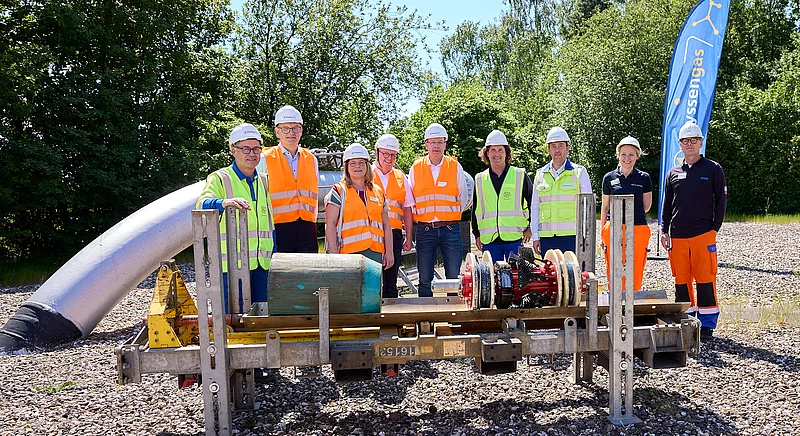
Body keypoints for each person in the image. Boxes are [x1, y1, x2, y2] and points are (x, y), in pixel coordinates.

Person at [197, 123, 274, 314]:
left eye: (256, 149)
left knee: (262, 317)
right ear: (233, 151)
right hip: (232, 267)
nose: (252, 154)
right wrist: (223, 203)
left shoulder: (264, 180)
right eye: (246, 148)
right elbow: (202, 205)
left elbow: (269, 223)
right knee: (233, 318)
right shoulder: (220, 178)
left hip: (262, 265)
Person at [660, 121, 727, 339]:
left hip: (703, 234)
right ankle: (686, 320)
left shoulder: (713, 169)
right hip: (678, 236)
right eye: (685, 141)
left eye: (693, 140)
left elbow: (722, 200)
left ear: (700, 143)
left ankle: (706, 324)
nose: (689, 144)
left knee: (705, 279)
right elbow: (667, 204)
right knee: (681, 280)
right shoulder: (673, 173)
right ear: (680, 144)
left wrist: (714, 229)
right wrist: (664, 230)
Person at [408, 123, 468, 297]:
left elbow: (464, 197)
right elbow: (410, 200)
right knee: (424, 278)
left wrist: (450, 214)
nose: (436, 146)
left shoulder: (455, 166)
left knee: (454, 279)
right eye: (432, 142)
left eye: (440, 142)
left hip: (450, 228)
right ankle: (426, 313)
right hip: (425, 230)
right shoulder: (416, 167)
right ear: (426, 144)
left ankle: (452, 311)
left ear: (445, 144)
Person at [258, 105, 319, 253]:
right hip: (277, 228)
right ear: (277, 131)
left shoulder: (311, 159)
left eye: (296, 128)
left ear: (301, 131)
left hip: (307, 228)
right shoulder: (264, 159)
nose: (291, 133)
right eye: (286, 128)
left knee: (309, 267)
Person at [324, 143, 394, 270]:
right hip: (348, 254)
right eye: (353, 163)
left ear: (367, 165)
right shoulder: (339, 191)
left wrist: (389, 251)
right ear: (346, 167)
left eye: (361, 162)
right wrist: (334, 256)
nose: (357, 166)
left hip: (375, 253)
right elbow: (330, 224)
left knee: (373, 284)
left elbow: (386, 225)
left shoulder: (378, 191)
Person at [600, 136, 652, 292]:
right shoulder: (609, 178)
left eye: (631, 154)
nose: (627, 158)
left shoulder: (644, 178)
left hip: (638, 228)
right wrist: (602, 232)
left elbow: (646, 206)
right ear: (618, 155)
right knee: (614, 266)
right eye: (623, 154)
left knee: (635, 266)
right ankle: (615, 300)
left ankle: (632, 300)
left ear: (637, 156)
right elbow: (605, 207)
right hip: (614, 228)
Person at [472, 129, 532, 262]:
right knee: (491, 275)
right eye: (493, 150)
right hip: (490, 241)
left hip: (514, 238)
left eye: (500, 150)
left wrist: (530, 228)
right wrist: (476, 234)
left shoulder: (519, 175)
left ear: (506, 152)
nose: (497, 154)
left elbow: (533, 202)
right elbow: (475, 209)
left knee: (518, 274)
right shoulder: (480, 178)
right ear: (487, 153)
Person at [530, 127, 593, 256]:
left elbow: (587, 207)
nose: (557, 150)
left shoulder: (579, 172)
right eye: (553, 146)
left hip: (571, 236)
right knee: (549, 269)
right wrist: (535, 236)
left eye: (560, 146)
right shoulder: (540, 174)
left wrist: (585, 236)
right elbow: (535, 207)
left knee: (571, 269)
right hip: (546, 237)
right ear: (548, 149)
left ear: (567, 148)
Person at [372, 134, 414, 298]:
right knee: (371, 281)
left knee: (390, 282)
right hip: (371, 233)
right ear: (376, 152)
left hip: (395, 234)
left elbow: (407, 209)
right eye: (385, 154)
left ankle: (390, 312)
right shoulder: (366, 174)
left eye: (393, 155)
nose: (389, 158)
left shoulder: (401, 177)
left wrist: (408, 237)